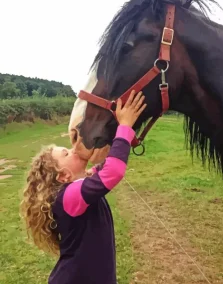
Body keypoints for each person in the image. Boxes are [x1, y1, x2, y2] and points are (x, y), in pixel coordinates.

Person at [20, 90, 146, 284]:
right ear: (63, 175)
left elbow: (105, 165)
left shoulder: (78, 187)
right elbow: (113, 172)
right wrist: (125, 125)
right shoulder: (69, 197)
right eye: (66, 153)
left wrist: (120, 132)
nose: (73, 149)